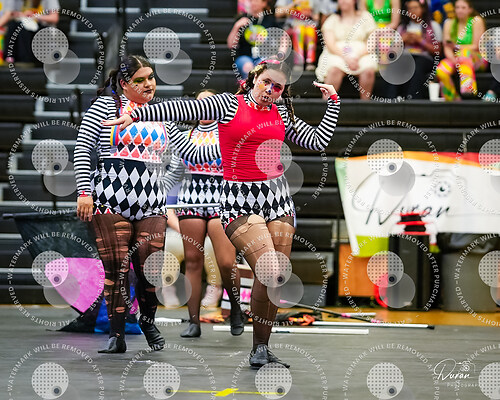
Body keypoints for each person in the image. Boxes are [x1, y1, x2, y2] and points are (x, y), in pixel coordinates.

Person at [103, 59, 340, 368]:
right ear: (254, 78)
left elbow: (318, 140)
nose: (270, 90)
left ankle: (261, 348)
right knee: (269, 269)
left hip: (279, 201)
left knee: (276, 275)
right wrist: (137, 114)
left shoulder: (281, 113)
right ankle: (240, 334)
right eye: (266, 82)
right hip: (239, 202)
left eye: (278, 87)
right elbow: (182, 109)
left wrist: (333, 103)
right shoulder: (228, 105)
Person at [75, 55, 174, 353]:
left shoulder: (162, 113)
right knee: (116, 269)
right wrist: (84, 191)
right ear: (124, 83)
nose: (148, 84)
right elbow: (82, 148)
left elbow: (183, 156)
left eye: (151, 77)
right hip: (110, 198)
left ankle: (148, 320)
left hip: (151, 201)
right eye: (140, 80)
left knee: (150, 268)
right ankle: (116, 335)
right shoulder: (106, 106)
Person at [168, 89, 244, 338]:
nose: (203, 109)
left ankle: (235, 309)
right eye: (199, 104)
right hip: (190, 200)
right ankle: (193, 321)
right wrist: (156, 191)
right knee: (192, 261)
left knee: (226, 261)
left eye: (209, 103)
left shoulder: (228, 132)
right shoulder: (185, 136)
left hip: (221, 201)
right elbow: (174, 173)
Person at [316, 0, 377, 100]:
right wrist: (346, 58)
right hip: (337, 53)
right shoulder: (332, 19)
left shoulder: (365, 16)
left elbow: (372, 41)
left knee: (368, 70)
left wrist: (356, 57)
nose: (343, 1)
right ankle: (327, 104)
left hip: (362, 54)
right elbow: (330, 44)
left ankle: (365, 104)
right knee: (334, 69)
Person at [436, 0, 487, 101]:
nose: (460, 10)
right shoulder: (449, 23)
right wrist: (454, 60)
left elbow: (476, 46)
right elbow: (447, 46)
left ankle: (468, 88)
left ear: (470, 10)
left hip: (477, 58)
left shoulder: (476, 21)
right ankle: (452, 98)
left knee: (464, 54)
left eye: (463, 8)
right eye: (457, 7)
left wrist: (457, 47)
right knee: (441, 69)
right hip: (456, 58)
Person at [392, 0, 442, 99]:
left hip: (425, 58)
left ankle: (413, 99)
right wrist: (402, 40)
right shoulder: (402, 28)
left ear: (423, 9)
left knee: (416, 66)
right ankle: (391, 99)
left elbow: (438, 51)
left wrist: (420, 41)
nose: (412, 11)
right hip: (405, 57)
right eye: (410, 8)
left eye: (415, 8)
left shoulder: (433, 26)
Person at [227, 0, 278, 79]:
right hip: (244, 56)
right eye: (251, 1)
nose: (253, 3)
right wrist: (236, 26)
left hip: (263, 56)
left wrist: (278, 55)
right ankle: (248, 86)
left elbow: (282, 39)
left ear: (264, 3)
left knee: (263, 67)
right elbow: (230, 45)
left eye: (256, 1)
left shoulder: (269, 20)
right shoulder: (242, 18)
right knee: (248, 67)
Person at [275, 0, 319, 70]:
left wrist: (310, 14)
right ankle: (299, 62)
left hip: (308, 27)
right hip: (292, 27)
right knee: (299, 31)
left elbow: (317, 17)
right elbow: (277, 13)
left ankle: (310, 62)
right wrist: (294, 4)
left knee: (310, 31)